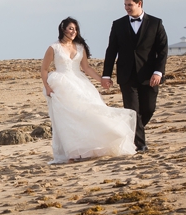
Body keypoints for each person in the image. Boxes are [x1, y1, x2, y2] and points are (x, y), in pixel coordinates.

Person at [41, 17, 137, 163]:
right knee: (67, 118)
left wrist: (101, 80)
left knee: (89, 111)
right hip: (61, 84)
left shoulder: (80, 47)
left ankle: (94, 145)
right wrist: (47, 87)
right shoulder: (54, 47)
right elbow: (44, 69)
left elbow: (86, 68)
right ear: (63, 29)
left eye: (75, 29)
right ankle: (71, 152)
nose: (74, 31)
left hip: (79, 82)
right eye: (70, 28)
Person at [101, 0, 168, 152]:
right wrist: (106, 74)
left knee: (149, 109)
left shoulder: (155, 23)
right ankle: (140, 145)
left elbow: (163, 50)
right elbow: (111, 51)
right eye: (125, 5)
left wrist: (158, 72)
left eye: (129, 5)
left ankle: (131, 132)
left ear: (139, 4)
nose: (126, 8)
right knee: (132, 111)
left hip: (149, 76)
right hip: (127, 76)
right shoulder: (118, 24)